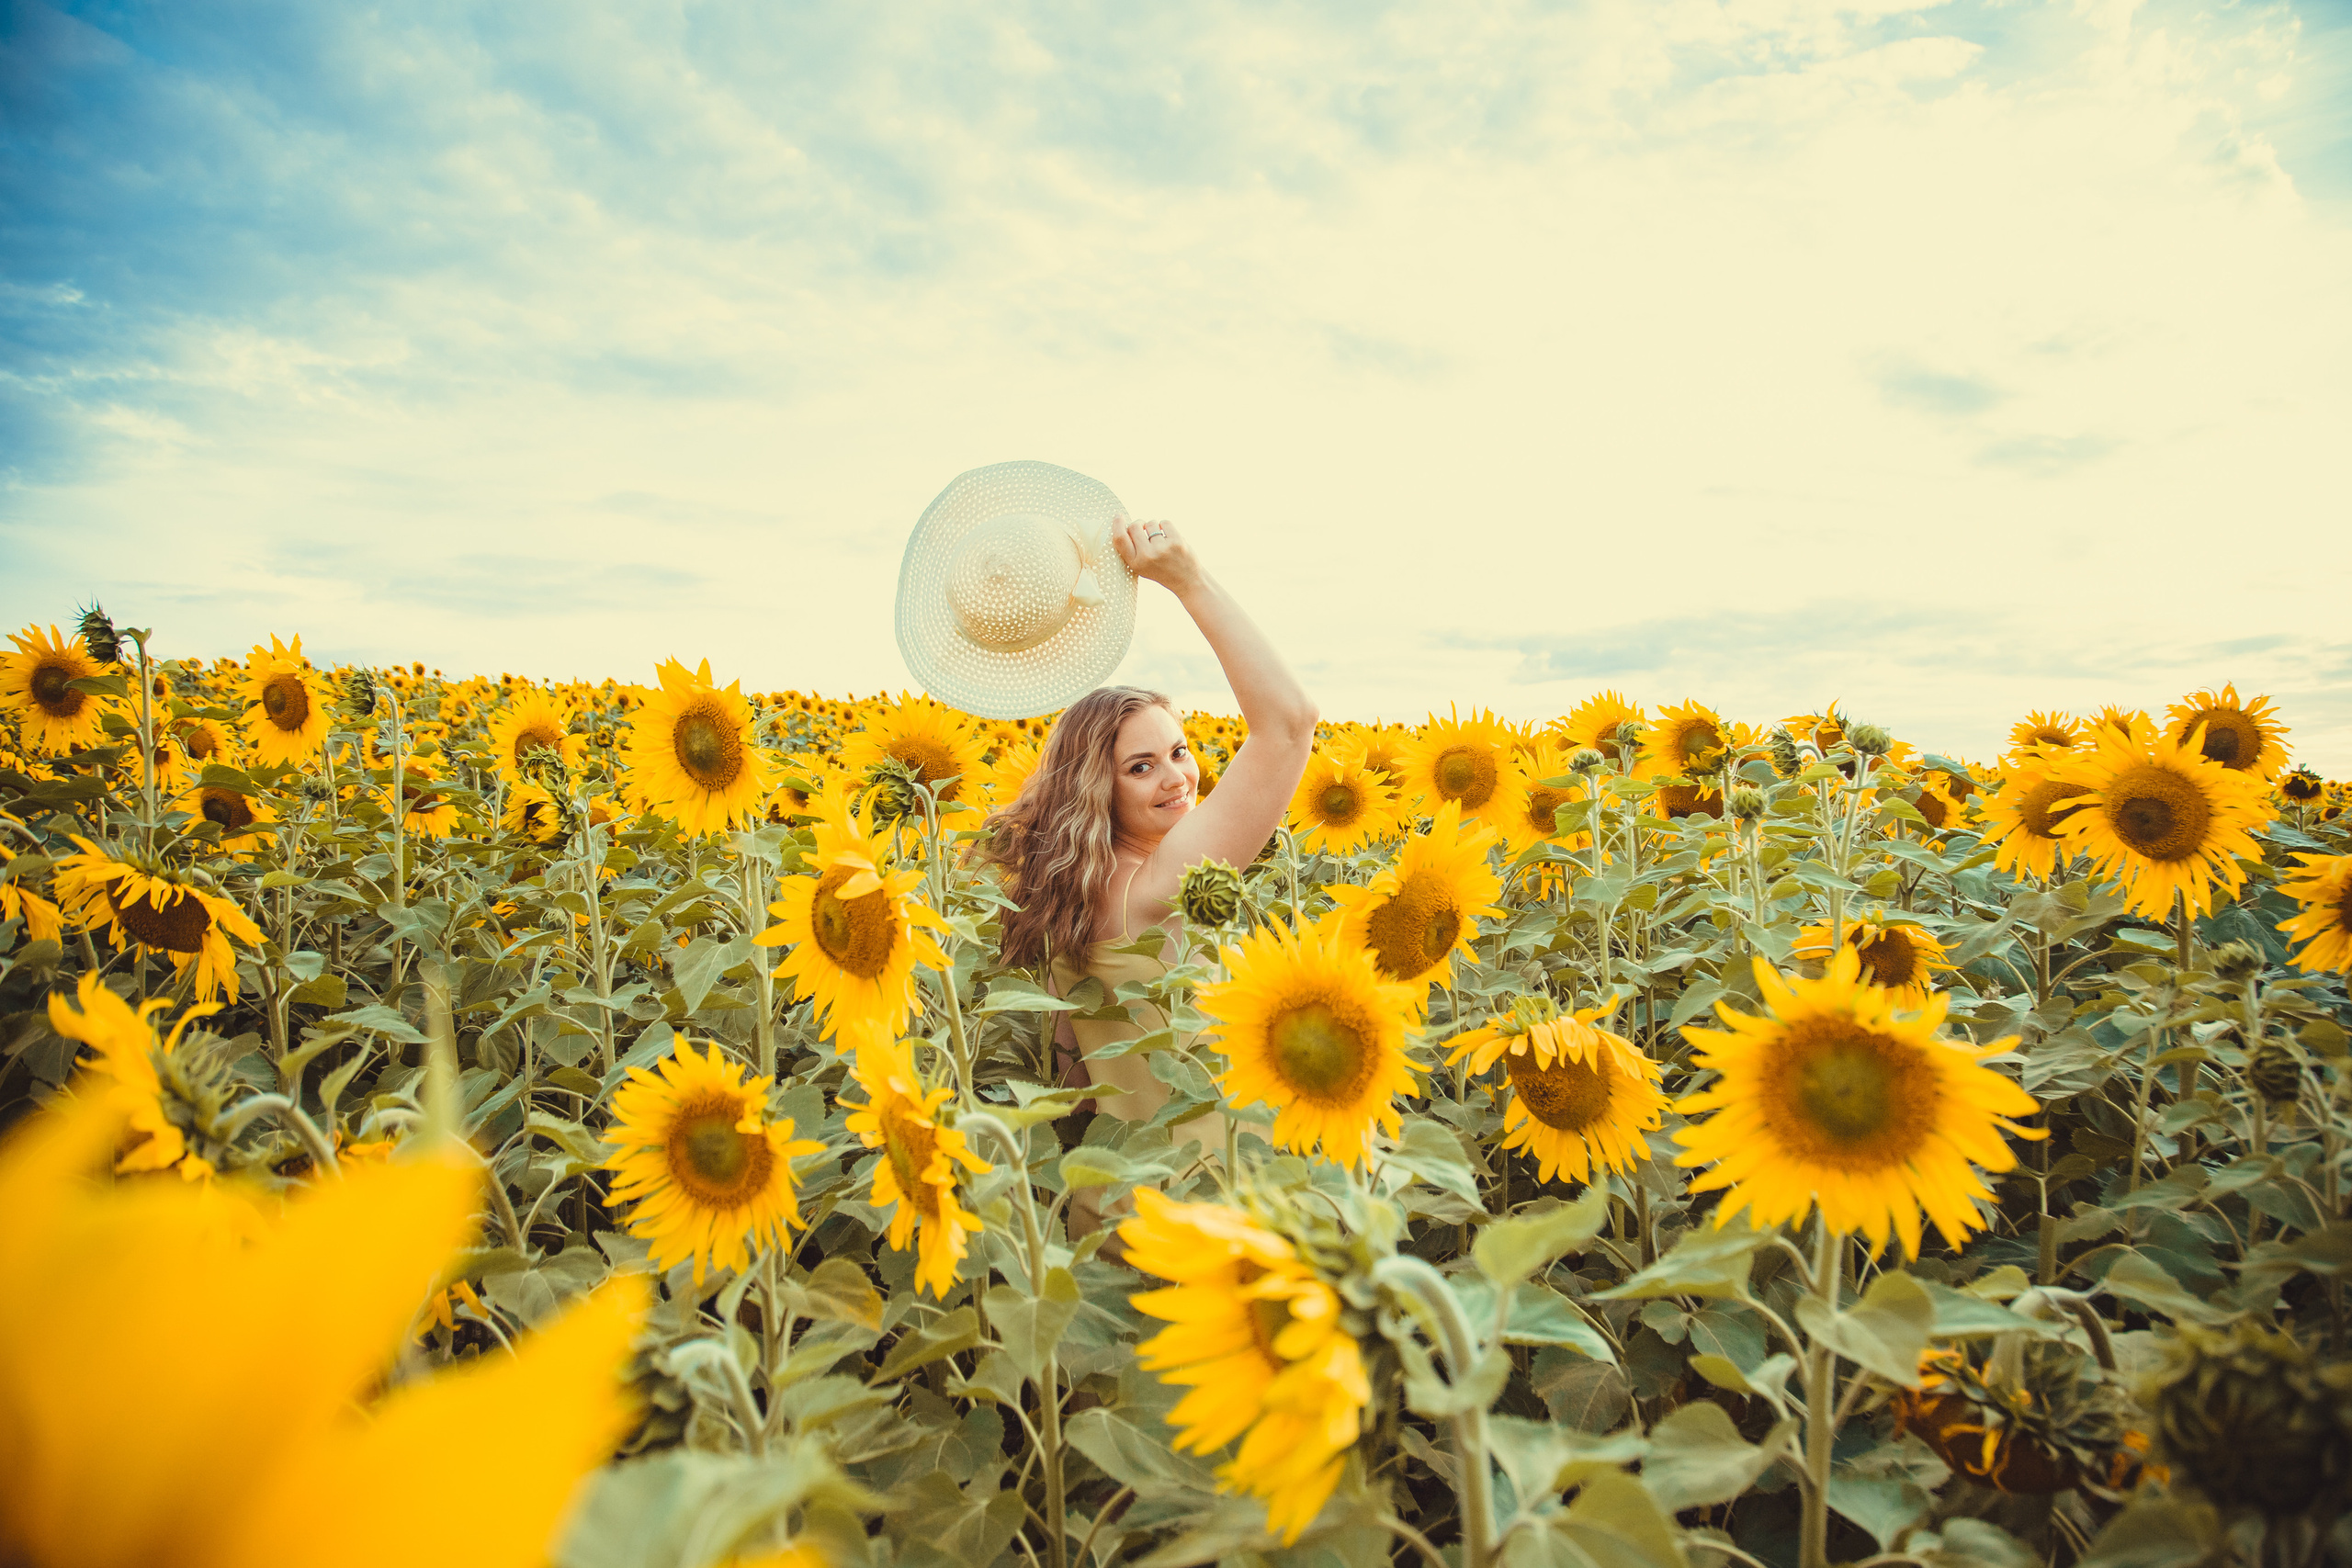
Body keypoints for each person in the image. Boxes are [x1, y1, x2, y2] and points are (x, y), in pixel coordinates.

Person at [974, 516, 1317, 1159]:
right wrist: (1189, 581)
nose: (1178, 779)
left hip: (1116, 1212)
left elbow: (1078, 1087)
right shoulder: (1156, 886)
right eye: (1141, 766)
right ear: (1097, 790)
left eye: (1179, 751)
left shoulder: (1067, 896)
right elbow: (1290, 723)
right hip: (1205, 1207)